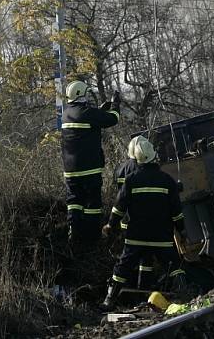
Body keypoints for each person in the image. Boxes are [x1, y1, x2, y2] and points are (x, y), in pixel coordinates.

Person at [102, 137, 187, 307]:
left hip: (136, 236)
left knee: (123, 267)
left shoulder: (131, 179)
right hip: (162, 237)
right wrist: (182, 231)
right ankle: (184, 295)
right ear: (154, 157)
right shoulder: (167, 180)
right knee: (174, 265)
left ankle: (109, 300)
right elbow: (176, 212)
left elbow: (119, 207)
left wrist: (111, 225)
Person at [61, 80, 120, 246]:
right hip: (89, 169)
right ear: (81, 95)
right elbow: (112, 119)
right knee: (92, 203)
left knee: (74, 201)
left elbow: (86, 124)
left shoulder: (66, 113)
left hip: (70, 170)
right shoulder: (87, 113)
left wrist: (99, 111)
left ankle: (74, 230)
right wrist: (116, 104)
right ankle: (92, 235)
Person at [114, 135, 152, 288]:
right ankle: (143, 287)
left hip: (126, 220)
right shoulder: (141, 168)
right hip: (142, 219)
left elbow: (119, 196)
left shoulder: (120, 169)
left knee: (128, 256)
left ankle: (125, 288)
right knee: (145, 256)